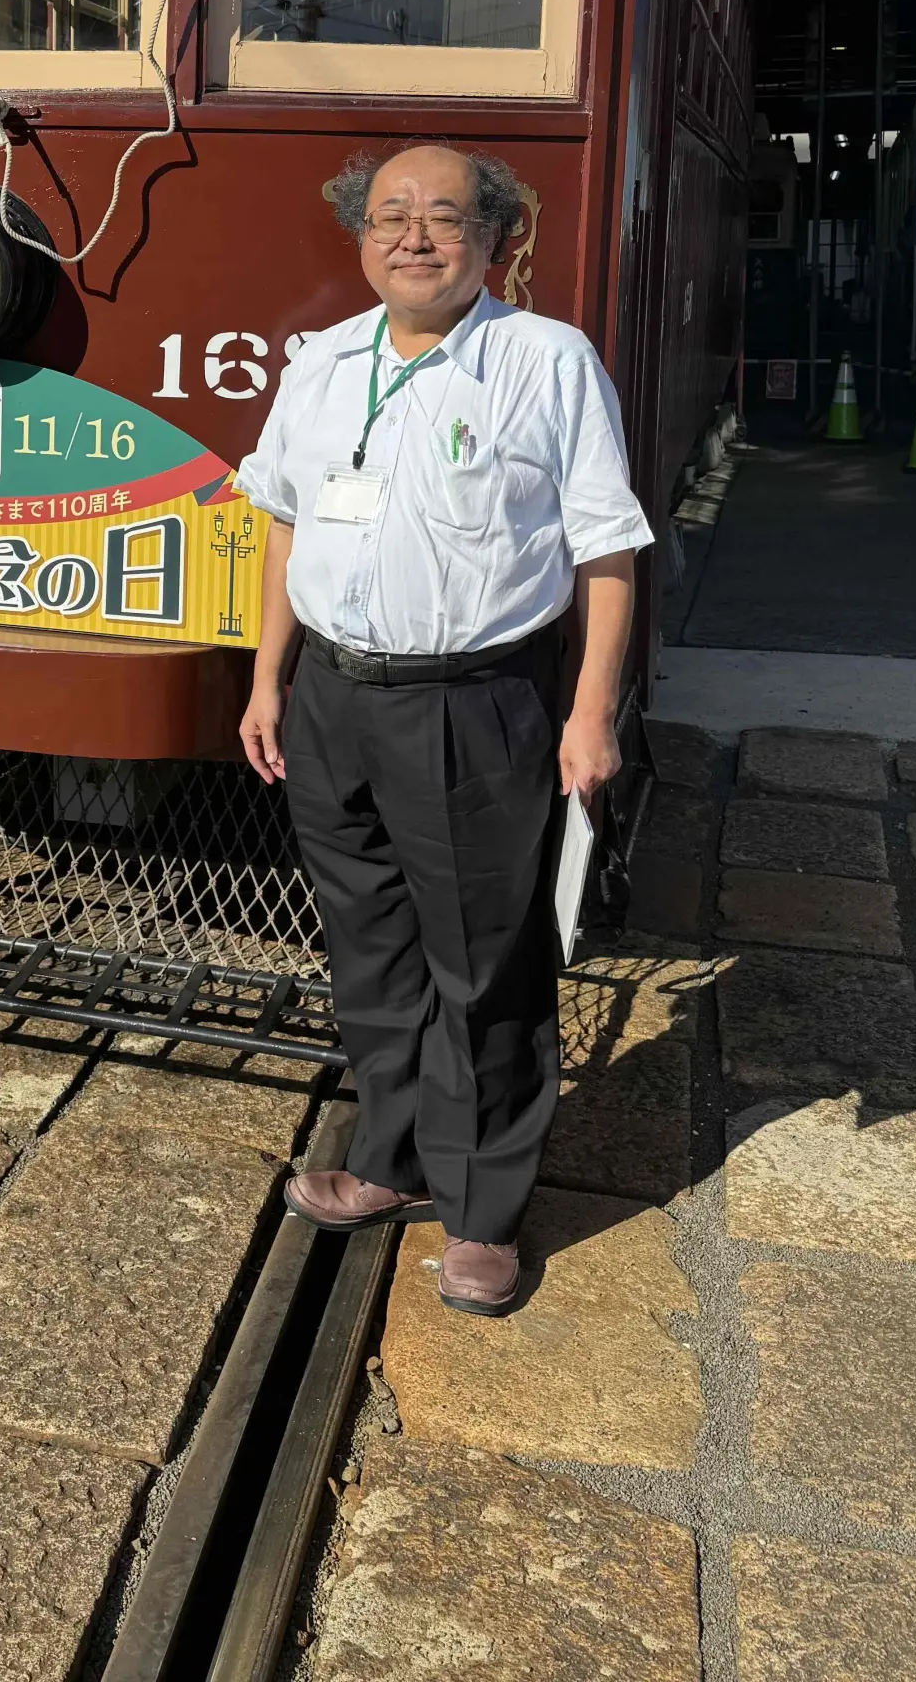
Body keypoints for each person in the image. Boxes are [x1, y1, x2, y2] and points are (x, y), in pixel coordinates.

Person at [236, 143, 653, 1317]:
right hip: (332, 698)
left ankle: (483, 1213)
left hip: (475, 702)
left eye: (444, 217)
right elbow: (283, 526)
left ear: (496, 236)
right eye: (390, 216)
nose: (413, 236)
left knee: (483, 964)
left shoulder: (544, 360)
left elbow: (605, 554)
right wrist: (269, 679)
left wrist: (589, 714)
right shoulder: (321, 362)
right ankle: (390, 1159)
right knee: (369, 946)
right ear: (359, 235)